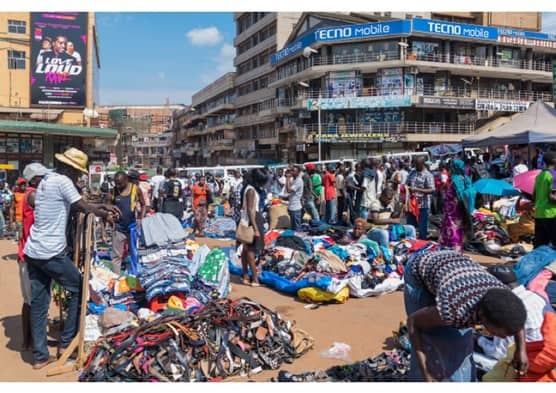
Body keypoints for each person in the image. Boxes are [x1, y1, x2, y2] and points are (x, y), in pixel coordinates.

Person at [24, 148, 119, 369]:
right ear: (69, 168)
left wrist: (99, 207)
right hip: (51, 252)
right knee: (79, 287)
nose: (78, 177)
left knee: (39, 303)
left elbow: (72, 205)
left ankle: (40, 357)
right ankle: (66, 342)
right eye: (77, 171)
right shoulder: (63, 182)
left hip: (34, 251)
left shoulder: (46, 180)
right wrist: (105, 212)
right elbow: (82, 206)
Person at [404, 250, 528, 382]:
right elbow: (413, 323)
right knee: (431, 339)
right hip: (421, 268)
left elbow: (517, 323)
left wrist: (521, 350)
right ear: (483, 318)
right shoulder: (454, 310)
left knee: (461, 346)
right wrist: (426, 372)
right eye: (501, 333)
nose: (504, 337)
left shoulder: (505, 296)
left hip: (455, 268)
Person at [475, 265, 550, 363]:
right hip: (547, 353)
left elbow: (498, 353)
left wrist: (478, 339)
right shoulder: (536, 296)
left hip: (528, 360)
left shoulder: (507, 309)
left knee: (467, 353)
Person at [17, 163, 49, 352]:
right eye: (43, 177)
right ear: (34, 179)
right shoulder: (33, 194)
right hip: (30, 256)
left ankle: (28, 341)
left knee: (30, 300)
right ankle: (34, 345)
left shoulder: (30, 193)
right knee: (34, 301)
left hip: (28, 253)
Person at [106, 171, 145, 275]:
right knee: (116, 256)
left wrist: (141, 218)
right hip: (118, 228)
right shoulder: (113, 192)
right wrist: (109, 216)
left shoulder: (135, 190)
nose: (118, 186)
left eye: (120, 183)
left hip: (132, 227)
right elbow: (107, 208)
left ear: (126, 180)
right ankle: (116, 279)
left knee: (134, 253)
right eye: (116, 183)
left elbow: (143, 204)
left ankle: (135, 276)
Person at [440, 159, 476, 253]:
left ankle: (451, 251)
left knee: (452, 231)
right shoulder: (466, 179)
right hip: (460, 210)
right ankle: (458, 250)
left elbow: (453, 195)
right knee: (458, 230)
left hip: (452, 211)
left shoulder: (455, 180)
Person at [239, 168, 267, 287]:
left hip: (248, 219)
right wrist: (255, 228)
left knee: (246, 249)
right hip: (253, 220)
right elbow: (250, 209)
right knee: (251, 249)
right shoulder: (251, 191)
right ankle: (255, 278)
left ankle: (245, 275)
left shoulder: (249, 189)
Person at [407, 157, 435, 240]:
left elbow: (432, 189)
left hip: (423, 205)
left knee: (422, 228)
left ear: (422, 164)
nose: (415, 166)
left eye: (417, 165)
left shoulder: (428, 175)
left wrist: (417, 190)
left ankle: (422, 244)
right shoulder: (412, 172)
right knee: (410, 227)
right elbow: (407, 182)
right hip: (412, 205)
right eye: (415, 164)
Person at [533, 152, 556, 248]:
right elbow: (552, 196)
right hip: (551, 213)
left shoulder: (540, 175)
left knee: (540, 244)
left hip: (539, 213)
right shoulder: (554, 175)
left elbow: (534, 196)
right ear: (554, 161)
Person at [285, 166, 304, 231]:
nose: (291, 172)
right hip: (292, 206)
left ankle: (298, 239)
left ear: (298, 173)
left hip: (296, 207)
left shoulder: (299, 181)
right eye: (291, 170)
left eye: (293, 171)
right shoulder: (294, 179)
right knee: (293, 227)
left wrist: (287, 178)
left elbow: (289, 190)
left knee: (297, 228)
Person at [12, 177, 26, 242]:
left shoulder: (29, 193)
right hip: (19, 219)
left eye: (24, 184)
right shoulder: (15, 195)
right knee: (21, 237)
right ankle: (21, 251)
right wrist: (11, 221)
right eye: (21, 184)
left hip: (27, 219)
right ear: (19, 185)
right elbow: (12, 209)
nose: (23, 185)